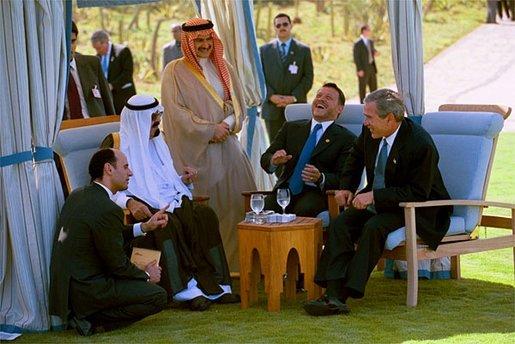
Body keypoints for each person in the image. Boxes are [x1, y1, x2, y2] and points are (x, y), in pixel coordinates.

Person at [304, 89, 452, 316]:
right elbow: (355, 158)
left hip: (418, 208)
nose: (365, 122)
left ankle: (342, 296)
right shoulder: (370, 131)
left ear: (390, 119)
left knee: (373, 227)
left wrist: (374, 196)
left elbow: (418, 192)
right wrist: (346, 187)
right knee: (341, 223)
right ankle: (331, 292)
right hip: (382, 201)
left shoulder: (420, 143)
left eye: (369, 117)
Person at [102, 94, 240, 311]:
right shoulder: (116, 146)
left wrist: (183, 180)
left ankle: (216, 284)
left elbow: (163, 180)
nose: (156, 125)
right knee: (168, 223)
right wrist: (128, 202)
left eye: (157, 119)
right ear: (138, 121)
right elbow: (105, 189)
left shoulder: (158, 141)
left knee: (205, 216)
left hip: (170, 199)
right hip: (143, 205)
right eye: (152, 121)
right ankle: (183, 289)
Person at [161, 18, 256, 272]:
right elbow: (175, 113)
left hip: (229, 149)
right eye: (199, 41)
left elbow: (239, 106)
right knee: (207, 214)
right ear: (188, 43)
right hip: (197, 156)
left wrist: (225, 123)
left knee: (237, 207)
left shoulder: (225, 66)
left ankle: (239, 269)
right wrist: (209, 129)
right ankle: (210, 273)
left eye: (207, 40)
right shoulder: (174, 71)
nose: (204, 45)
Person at [49, 148, 169, 336]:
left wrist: (144, 227)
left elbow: (106, 234)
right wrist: (146, 275)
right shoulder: (108, 209)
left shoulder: (78, 195)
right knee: (158, 296)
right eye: (126, 166)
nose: (130, 172)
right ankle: (94, 321)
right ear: (108, 169)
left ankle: (87, 315)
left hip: (68, 288)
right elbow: (117, 265)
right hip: (89, 290)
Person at [261, 83, 356, 217]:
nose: (321, 99)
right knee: (263, 211)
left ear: (340, 109)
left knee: (304, 211)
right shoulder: (291, 128)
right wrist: (273, 160)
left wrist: (320, 177)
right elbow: (265, 159)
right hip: (284, 192)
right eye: (318, 95)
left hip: (317, 194)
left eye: (328, 97)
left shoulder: (347, 139)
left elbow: (344, 179)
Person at [260, 13, 314, 141]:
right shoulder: (264, 50)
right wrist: (271, 96)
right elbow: (259, 77)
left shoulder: (303, 50)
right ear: (274, 28)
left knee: (296, 147)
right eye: (278, 25)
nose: (282, 27)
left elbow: (308, 77)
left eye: (285, 24)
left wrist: (293, 97)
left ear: (291, 25)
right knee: (274, 150)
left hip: (296, 108)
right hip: (272, 109)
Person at [65, 21, 115, 119]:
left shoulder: (92, 63)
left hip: (95, 126)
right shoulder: (49, 73)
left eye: (72, 41)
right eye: (65, 42)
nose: (70, 47)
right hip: (66, 130)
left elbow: (107, 100)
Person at [91, 29, 136, 115]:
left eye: (99, 48)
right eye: (95, 49)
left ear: (105, 42)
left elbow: (127, 74)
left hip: (123, 97)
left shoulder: (122, 51)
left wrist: (112, 85)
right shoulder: (98, 57)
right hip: (108, 99)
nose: (98, 51)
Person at [353, 25, 378, 104]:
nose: (369, 31)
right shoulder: (358, 43)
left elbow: (372, 51)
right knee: (362, 88)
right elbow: (356, 57)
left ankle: (374, 105)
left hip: (372, 67)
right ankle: (362, 106)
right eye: (368, 30)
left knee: (374, 88)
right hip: (363, 69)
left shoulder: (370, 41)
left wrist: (375, 52)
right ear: (363, 31)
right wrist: (359, 69)